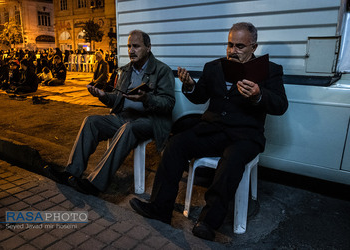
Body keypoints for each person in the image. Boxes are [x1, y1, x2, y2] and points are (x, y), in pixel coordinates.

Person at [129, 22, 289, 241]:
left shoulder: (269, 70)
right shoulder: (214, 67)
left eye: (240, 46)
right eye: (230, 44)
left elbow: (281, 105)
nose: (233, 50)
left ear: (254, 47)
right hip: (213, 129)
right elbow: (199, 96)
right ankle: (160, 208)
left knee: (231, 161)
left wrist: (259, 94)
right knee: (176, 144)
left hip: (245, 135)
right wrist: (190, 85)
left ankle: (208, 222)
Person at [44, 30, 175, 195]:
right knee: (91, 121)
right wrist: (104, 96)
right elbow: (118, 100)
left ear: (148, 48)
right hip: (124, 116)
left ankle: (95, 184)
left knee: (128, 128)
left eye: (136, 46)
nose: (131, 50)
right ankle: (71, 172)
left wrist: (146, 99)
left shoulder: (162, 71)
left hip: (149, 120)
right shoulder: (125, 70)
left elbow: (169, 103)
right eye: (129, 46)